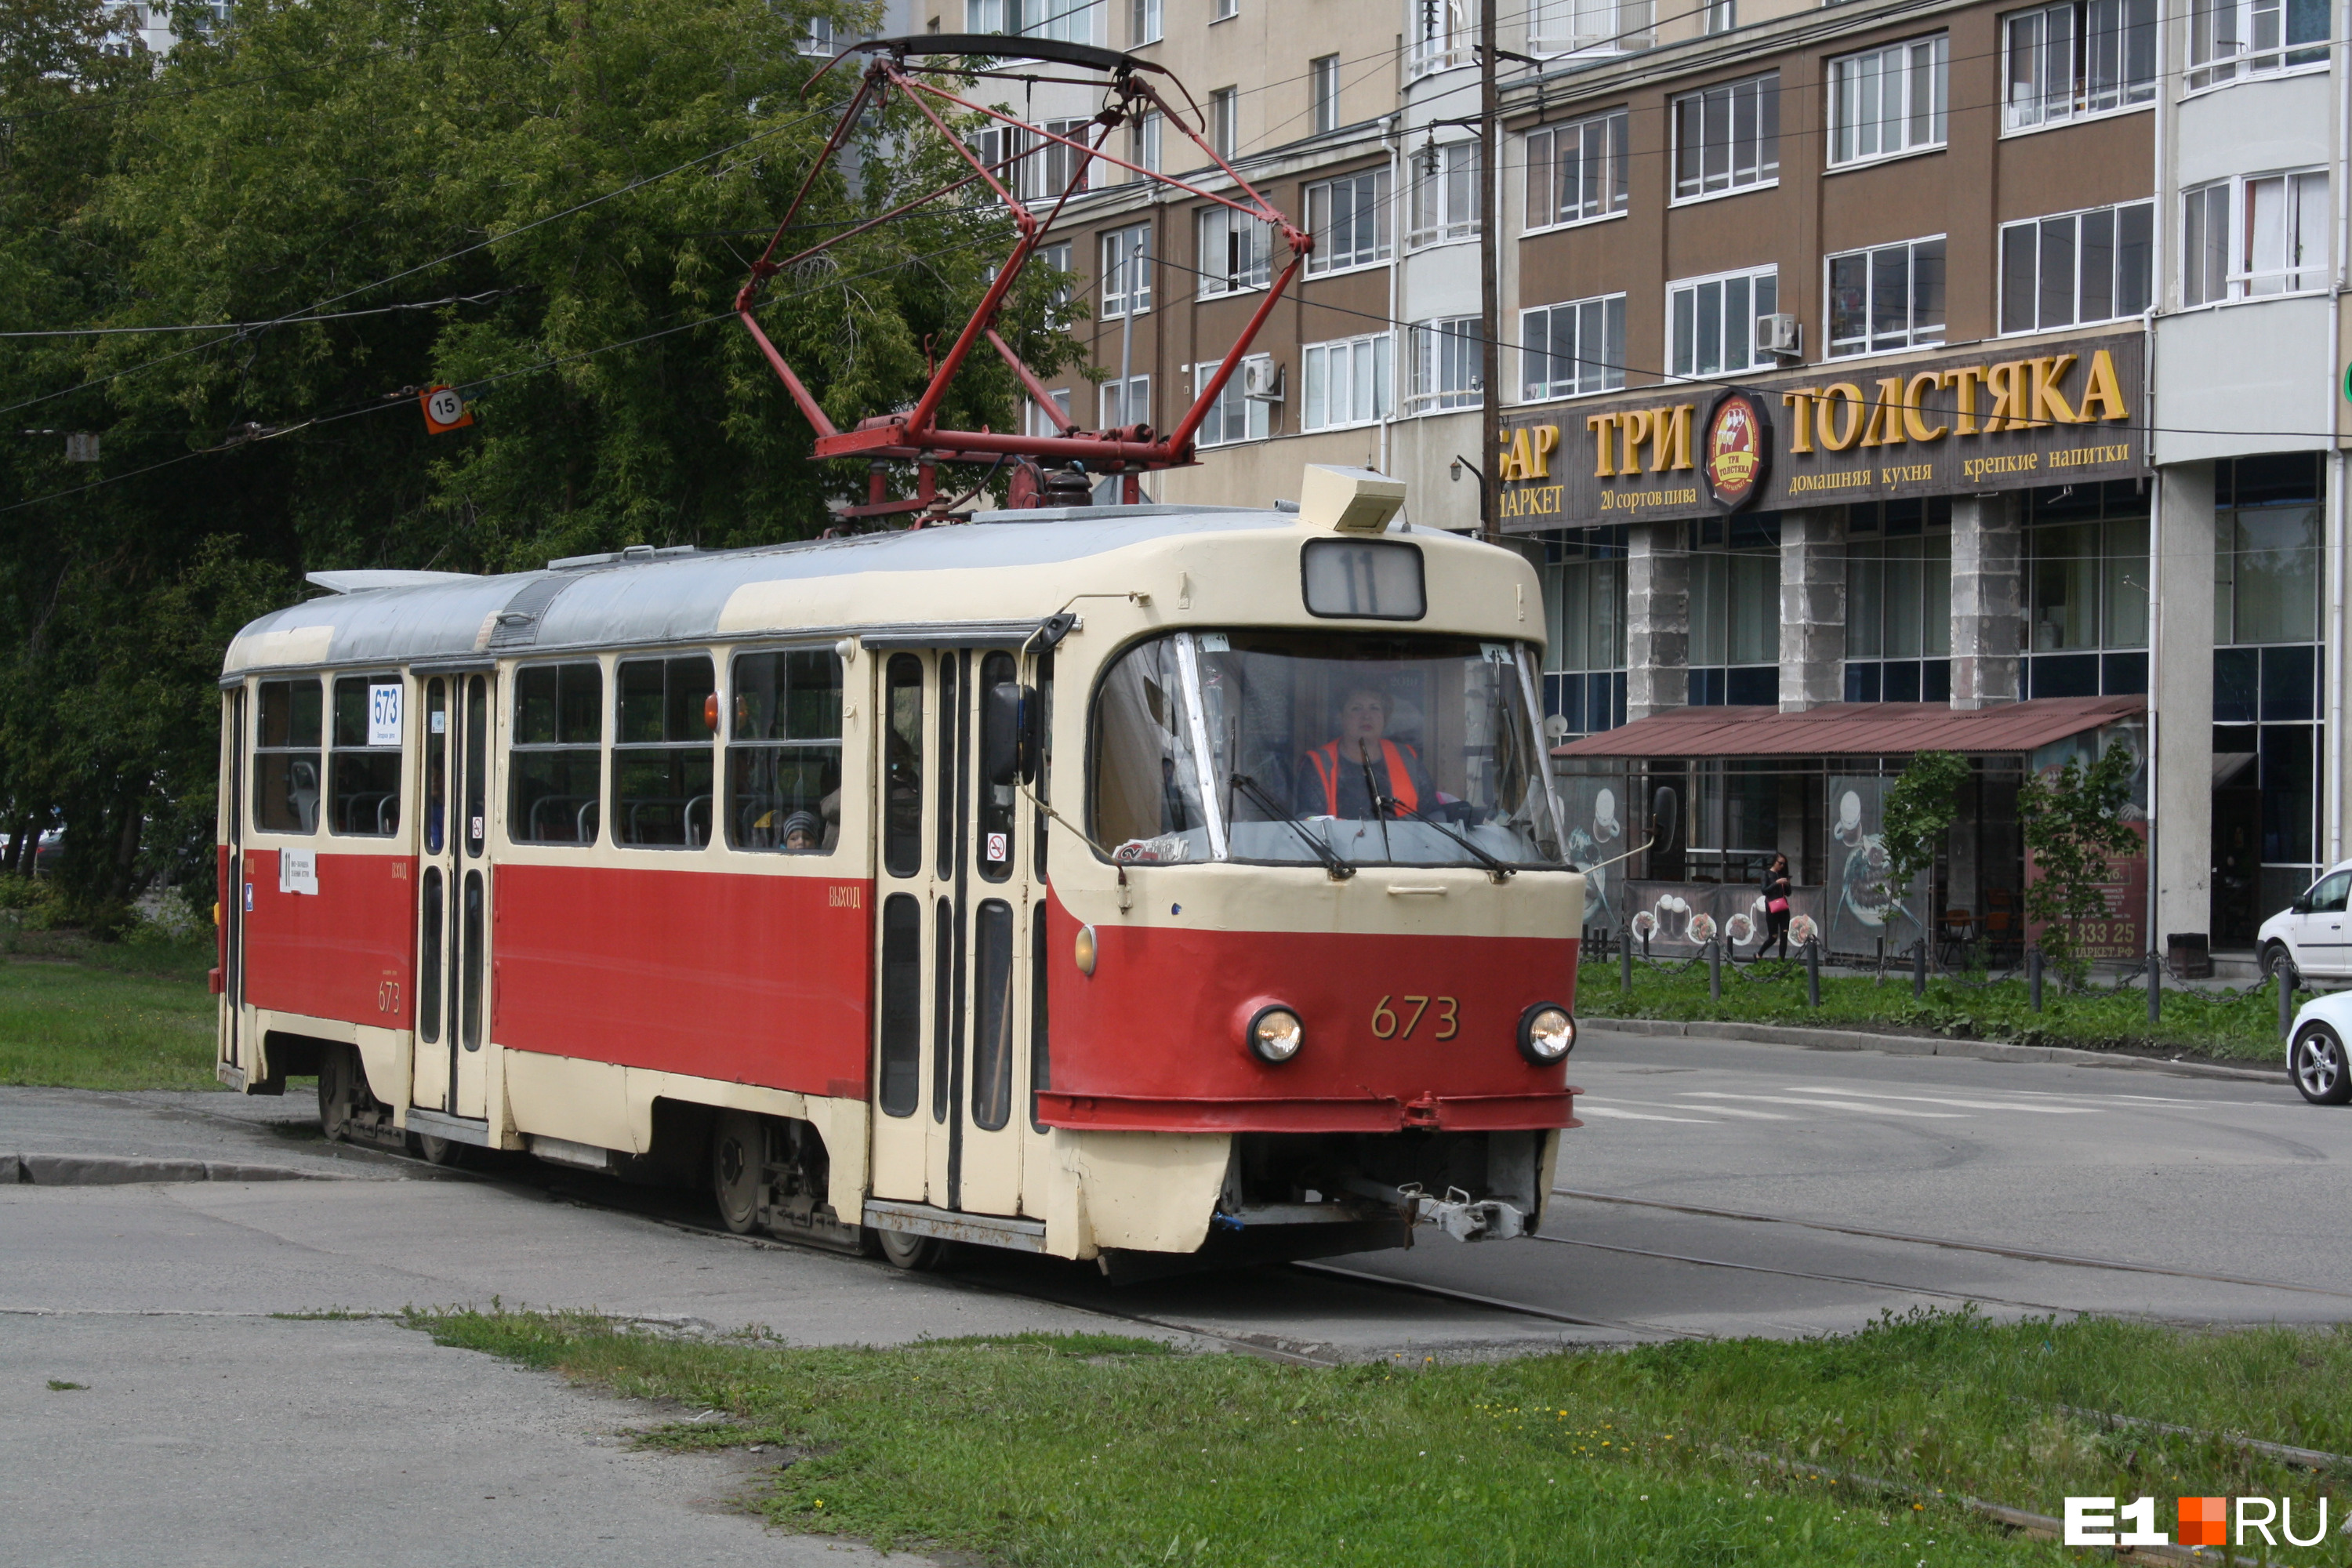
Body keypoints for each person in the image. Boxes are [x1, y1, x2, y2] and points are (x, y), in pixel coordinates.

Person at [1294, 685, 1436, 820]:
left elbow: (1433, 812)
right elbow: (1307, 817)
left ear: (1384, 718)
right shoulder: (1318, 762)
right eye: (1356, 709)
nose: (1366, 716)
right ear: (1340, 717)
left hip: (1402, 844)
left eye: (1374, 708)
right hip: (1335, 844)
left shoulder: (1407, 758)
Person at [1760, 852, 1793, 960]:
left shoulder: (1782, 875)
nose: (1782, 866)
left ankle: (1781, 960)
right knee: (1773, 937)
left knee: (1784, 934)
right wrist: (1776, 883)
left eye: (1784, 864)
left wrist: (1787, 884)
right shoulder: (1767, 874)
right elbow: (1764, 890)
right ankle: (1759, 954)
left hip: (1783, 908)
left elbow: (1788, 893)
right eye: (1780, 863)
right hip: (1772, 908)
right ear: (1775, 861)